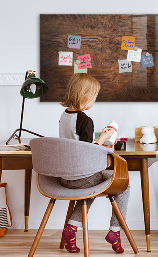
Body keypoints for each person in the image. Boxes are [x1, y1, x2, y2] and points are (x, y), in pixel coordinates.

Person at [59, 73, 129, 254]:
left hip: (65, 177)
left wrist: (99, 140)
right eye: (94, 97)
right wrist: (104, 139)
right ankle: (115, 231)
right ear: (86, 96)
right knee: (124, 185)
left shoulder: (64, 116)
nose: (94, 101)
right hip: (82, 177)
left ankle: (71, 229)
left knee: (89, 188)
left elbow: (76, 145)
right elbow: (87, 152)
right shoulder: (85, 120)